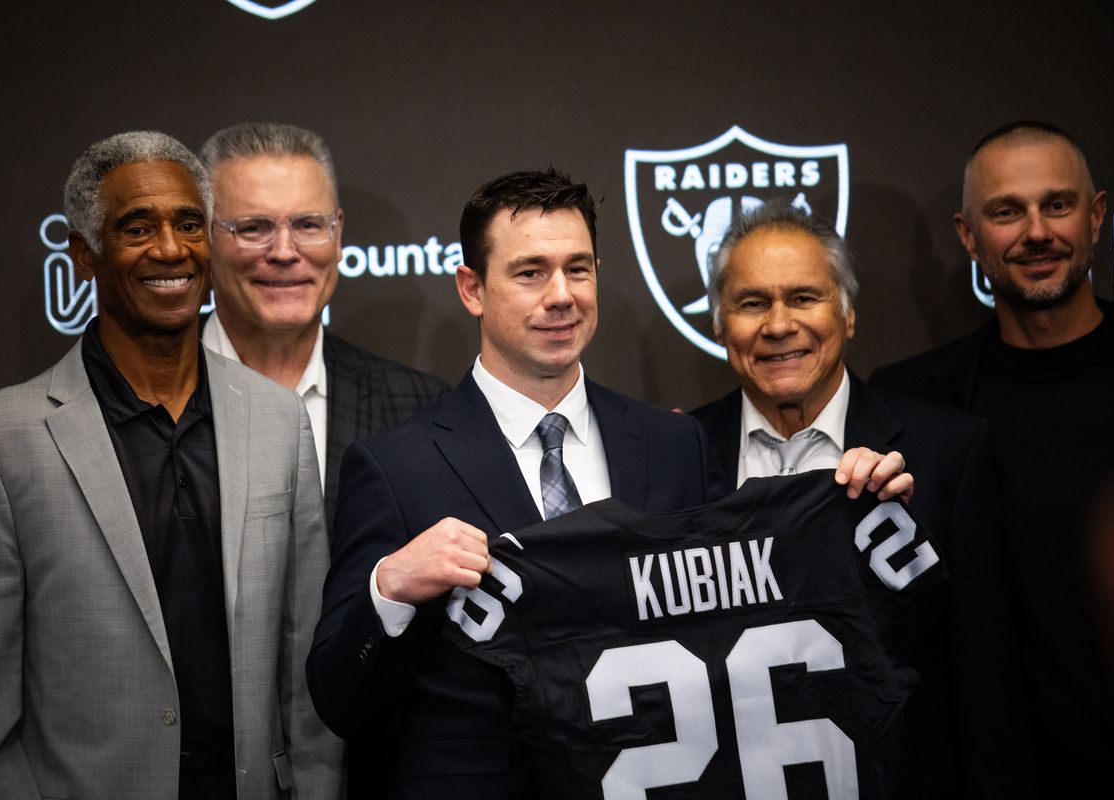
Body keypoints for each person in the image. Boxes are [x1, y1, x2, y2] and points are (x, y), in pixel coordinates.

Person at [307, 169, 911, 799]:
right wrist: (390, 591)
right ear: (472, 288)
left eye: (579, 268)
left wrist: (854, 515)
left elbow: (747, 629)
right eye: (530, 272)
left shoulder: (673, 445)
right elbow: (338, 699)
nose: (562, 295)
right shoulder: (396, 468)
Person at [0, 131, 341, 800]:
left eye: (187, 224)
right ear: (84, 255)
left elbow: (304, 673)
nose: (171, 250)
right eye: (137, 228)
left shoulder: (277, 421)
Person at [689, 202, 1027, 797]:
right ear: (719, 326)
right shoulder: (675, 458)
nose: (778, 324)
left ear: (847, 315)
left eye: (803, 297)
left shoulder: (947, 453)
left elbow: (986, 684)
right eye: (751, 303)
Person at [871, 120, 1114, 792]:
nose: (1036, 232)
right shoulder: (911, 402)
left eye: (1057, 205)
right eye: (1007, 212)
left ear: (1096, 217)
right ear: (968, 236)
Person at [199, 122, 447, 523]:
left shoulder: (418, 408)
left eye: (307, 225)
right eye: (253, 228)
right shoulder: (140, 398)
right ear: (204, 238)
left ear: (338, 232)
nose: (284, 252)